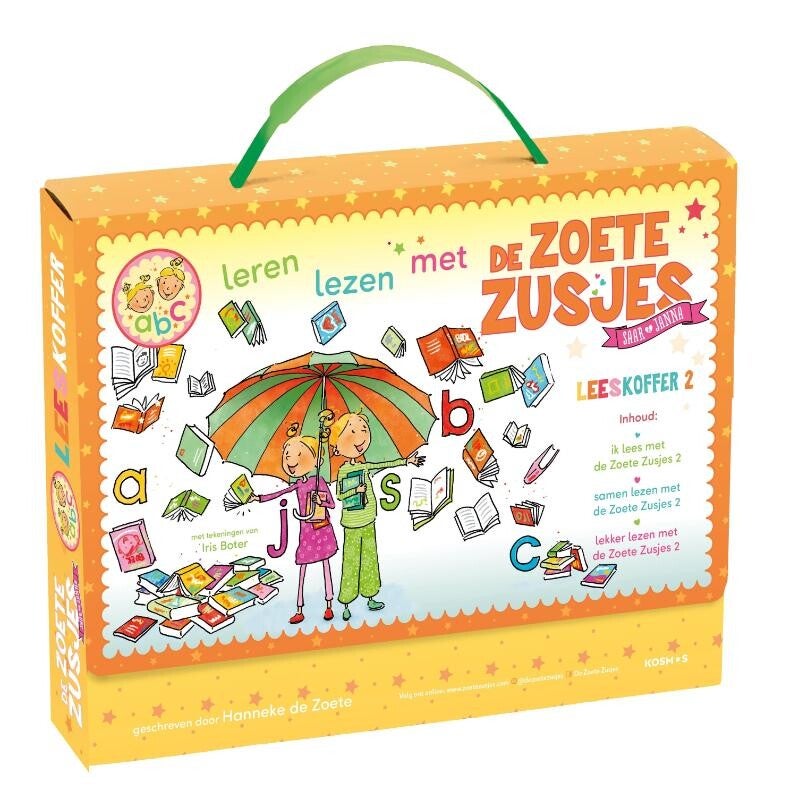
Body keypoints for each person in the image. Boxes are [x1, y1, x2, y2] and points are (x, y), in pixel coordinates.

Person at [330, 411, 425, 621]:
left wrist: (406, 461)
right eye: (352, 433)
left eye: (363, 430)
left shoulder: (363, 466)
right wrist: (356, 491)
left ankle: (370, 595)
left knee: (369, 560)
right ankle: (346, 601)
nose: (360, 438)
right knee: (352, 561)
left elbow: (383, 464)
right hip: (352, 523)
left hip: (369, 519)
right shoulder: (343, 471)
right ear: (337, 446)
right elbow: (340, 495)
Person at [252, 426, 338, 624]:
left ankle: (329, 604)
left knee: (325, 565)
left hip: (322, 530)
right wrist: (259, 498)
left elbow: (332, 504)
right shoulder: (299, 484)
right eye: (288, 455)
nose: (292, 461)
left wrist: (321, 500)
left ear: (317, 460)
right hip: (306, 533)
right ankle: (299, 608)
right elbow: (279, 493)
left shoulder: (320, 481)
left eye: (299, 455)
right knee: (302, 569)